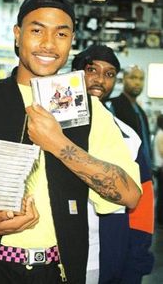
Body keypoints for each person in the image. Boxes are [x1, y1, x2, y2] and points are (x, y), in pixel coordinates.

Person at [0, 0, 141, 284]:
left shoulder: (90, 110)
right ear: (18, 34)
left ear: (72, 41)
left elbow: (129, 195)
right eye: (37, 30)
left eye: (61, 34)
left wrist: (59, 144)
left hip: (59, 270)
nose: (48, 44)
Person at [72, 44, 154, 283]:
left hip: (102, 258)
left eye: (108, 74)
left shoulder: (128, 136)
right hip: (49, 255)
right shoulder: (46, 126)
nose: (99, 80)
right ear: (75, 73)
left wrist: (135, 265)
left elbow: (142, 206)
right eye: (91, 70)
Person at [107, 64, 152, 171]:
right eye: (133, 78)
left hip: (144, 171)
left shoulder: (141, 112)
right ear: (123, 79)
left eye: (141, 79)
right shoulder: (112, 106)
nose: (137, 82)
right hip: (123, 170)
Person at [153, 114, 163, 226]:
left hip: (158, 167)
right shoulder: (161, 134)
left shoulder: (159, 133)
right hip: (161, 167)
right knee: (161, 194)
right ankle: (160, 218)